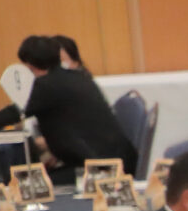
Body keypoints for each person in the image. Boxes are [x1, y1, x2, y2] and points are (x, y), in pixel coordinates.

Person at [14, 35, 133, 180]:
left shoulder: (50, 85)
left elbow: (13, 113)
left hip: (100, 168)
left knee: (31, 181)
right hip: (112, 159)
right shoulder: (81, 78)